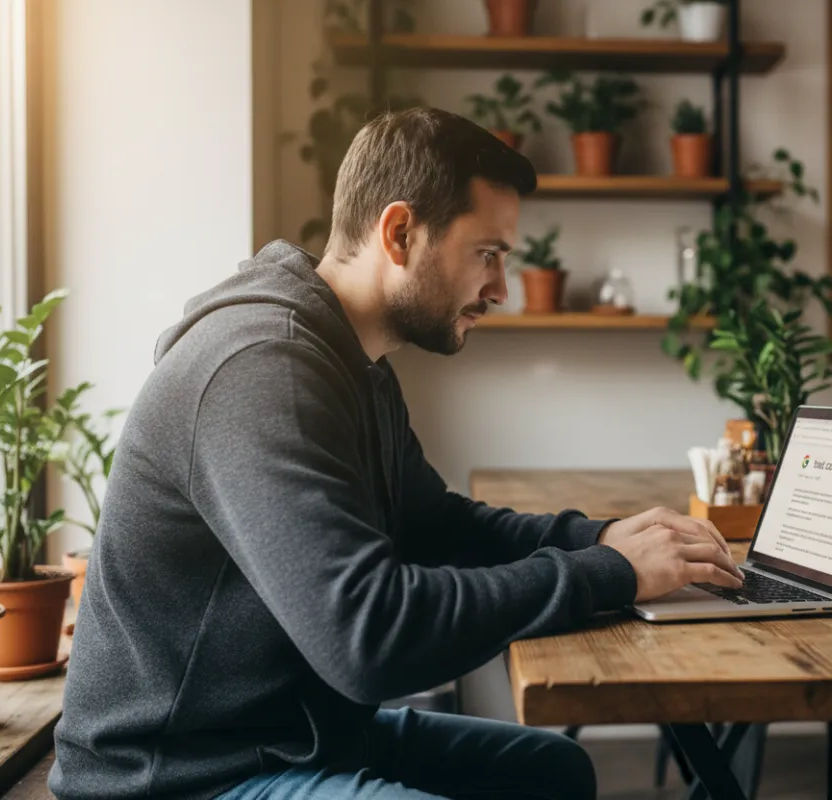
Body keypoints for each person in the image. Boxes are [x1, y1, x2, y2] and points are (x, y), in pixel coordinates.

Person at [50, 107, 743, 800]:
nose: (501, 289)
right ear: (400, 232)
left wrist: (601, 537)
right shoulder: (262, 369)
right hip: (178, 776)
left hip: (288, 737)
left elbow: (435, 524)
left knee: (553, 773)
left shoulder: (354, 362)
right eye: (488, 254)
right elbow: (369, 638)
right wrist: (608, 574)